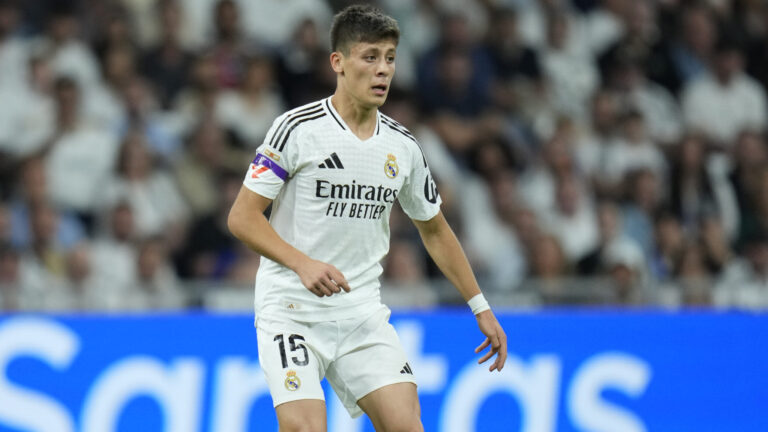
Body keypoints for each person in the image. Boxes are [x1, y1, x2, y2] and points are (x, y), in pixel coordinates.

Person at [227, 5, 507, 431]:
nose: (383, 70)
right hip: (291, 310)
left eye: (390, 58)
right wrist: (302, 264)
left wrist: (480, 306)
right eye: (370, 57)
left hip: (361, 314)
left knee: (408, 425)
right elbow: (242, 218)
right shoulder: (297, 129)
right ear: (338, 63)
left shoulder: (403, 146)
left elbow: (434, 229)